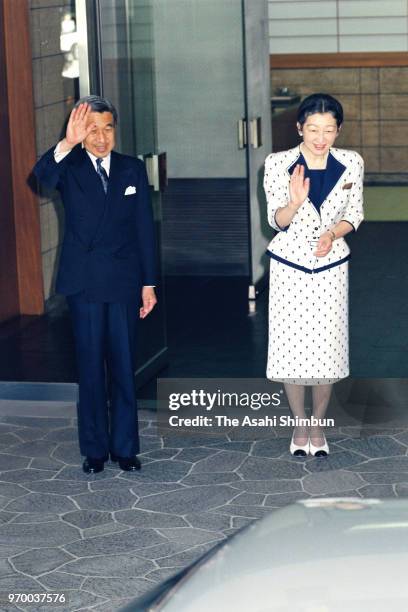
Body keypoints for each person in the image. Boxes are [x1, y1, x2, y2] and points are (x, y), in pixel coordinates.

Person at [33, 96, 157, 473]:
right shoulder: (67, 165)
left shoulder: (131, 169)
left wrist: (148, 283)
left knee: (122, 367)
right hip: (84, 282)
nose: (101, 138)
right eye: (92, 129)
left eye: (107, 129)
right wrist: (67, 143)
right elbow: (39, 180)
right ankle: (94, 451)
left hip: (122, 281)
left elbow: (143, 230)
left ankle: (125, 448)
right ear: (80, 131)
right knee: (89, 369)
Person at [263, 93, 364, 457]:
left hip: (331, 265)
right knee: (292, 348)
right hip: (290, 266)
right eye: (312, 129)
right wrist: (293, 202)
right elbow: (275, 220)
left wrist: (332, 234)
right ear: (299, 128)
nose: (320, 138)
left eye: (329, 130)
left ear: (338, 130)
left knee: (327, 348)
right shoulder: (277, 164)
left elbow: (356, 212)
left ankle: (318, 422)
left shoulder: (351, 163)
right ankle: (299, 422)